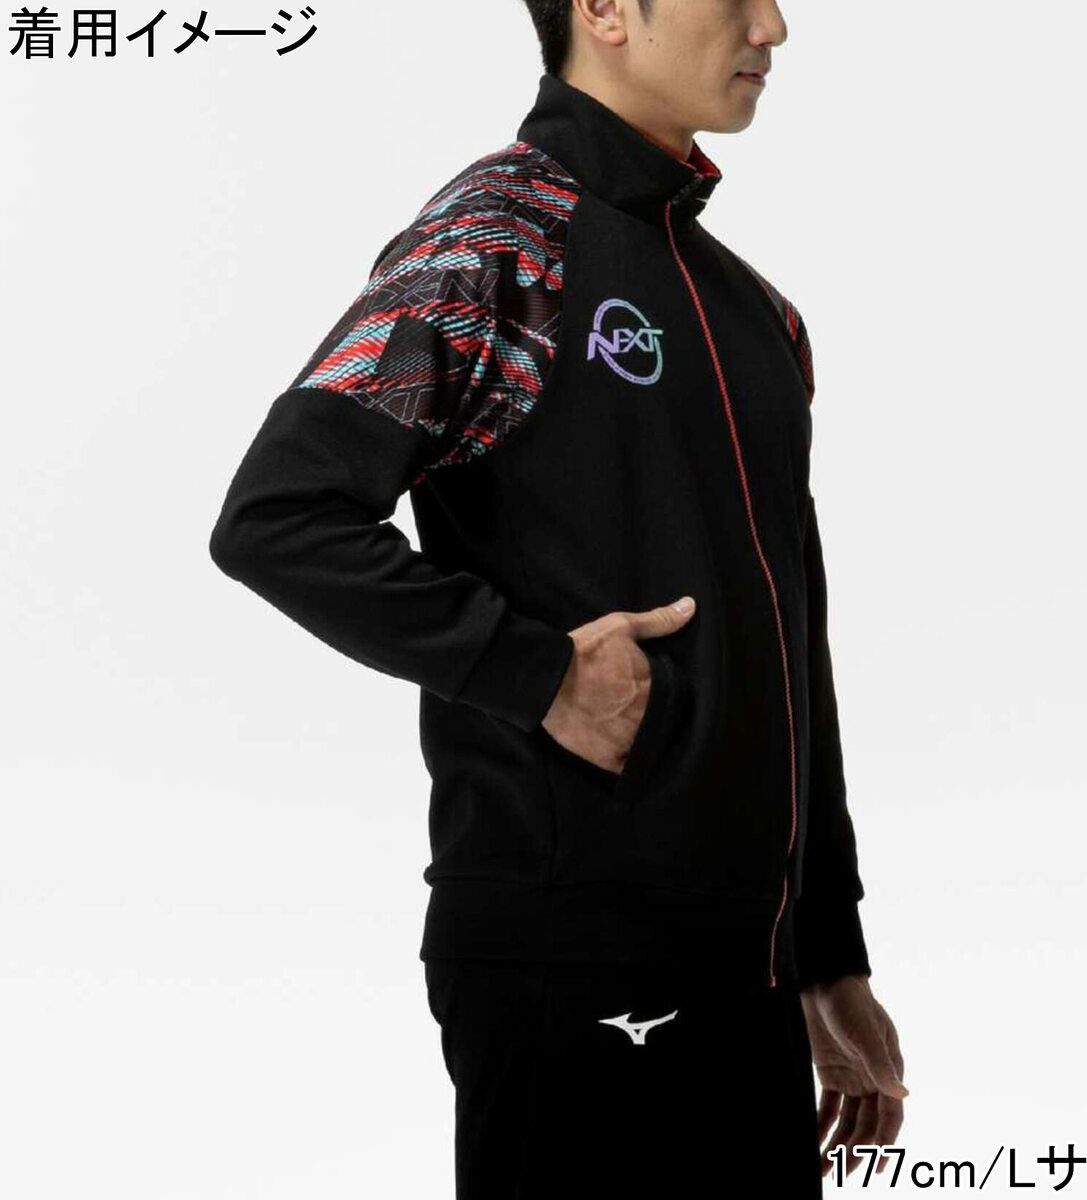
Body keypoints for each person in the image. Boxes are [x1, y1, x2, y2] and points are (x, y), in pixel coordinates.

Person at [209, 0, 908, 1193]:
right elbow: (278, 518)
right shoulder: (502, 242)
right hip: (567, 943)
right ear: (605, 9)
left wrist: (826, 948)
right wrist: (536, 673)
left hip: (745, 962)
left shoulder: (758, 315)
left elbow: (796, 642)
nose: (773, 26)